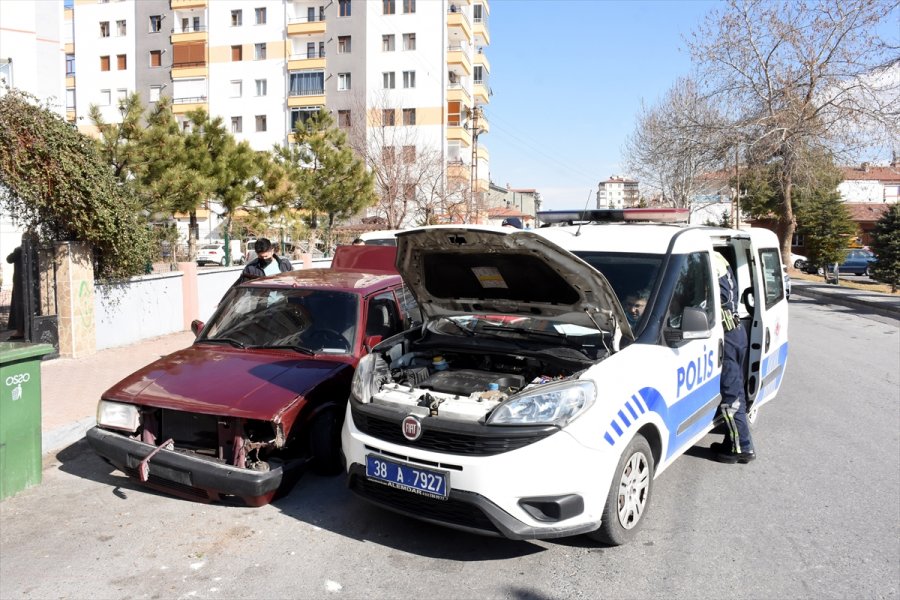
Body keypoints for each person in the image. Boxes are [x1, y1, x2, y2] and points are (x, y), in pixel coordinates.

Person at [711, 252, 754, 464]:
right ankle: (733, 441)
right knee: (737, 392)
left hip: (726, 336)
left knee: (731, 396)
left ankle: (742, 448)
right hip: (736, 331)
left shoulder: (708, 260)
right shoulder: (720, 258)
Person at [5, 246, 25, 339]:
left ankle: (20, 331)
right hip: (32, 282)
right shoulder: (37, 249)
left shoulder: (19, 250)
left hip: (20, 283)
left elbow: (9, 259)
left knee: (19, 307)